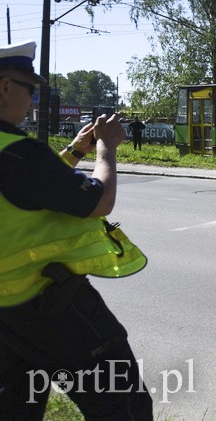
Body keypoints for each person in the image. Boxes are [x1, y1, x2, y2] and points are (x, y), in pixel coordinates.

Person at [0, 40, 152, 419]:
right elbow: (99, 201)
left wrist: (76, 150)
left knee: (15, 407)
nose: (32, 102)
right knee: (123, 404)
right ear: (5, 87)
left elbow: (30, 187)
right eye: (30, 90)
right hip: (48, 305)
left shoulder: (14, 155)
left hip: (7, 314)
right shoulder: (18, 152)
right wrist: (106, 150)